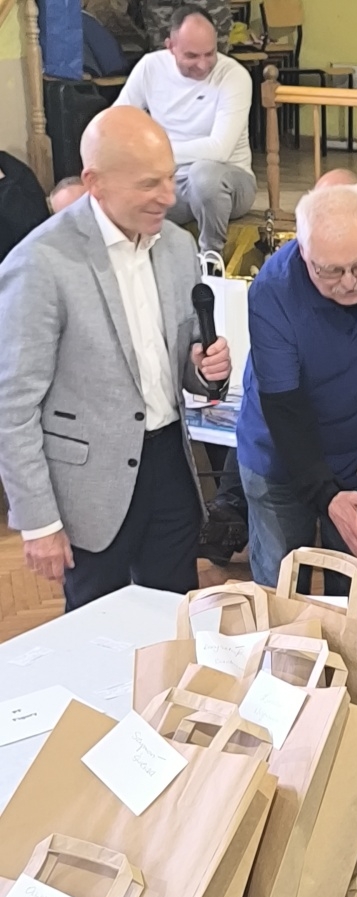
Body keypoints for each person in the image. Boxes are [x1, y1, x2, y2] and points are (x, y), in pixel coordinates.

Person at [0, 106, 231, 609]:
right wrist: (39, 522)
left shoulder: (178, 246)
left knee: (170, 620)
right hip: (89, 490)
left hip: (170, 466)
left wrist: (205, 370)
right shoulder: (40, 263)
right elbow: (12, 408)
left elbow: (183, 363)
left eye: (170, 178)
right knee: (95, 633)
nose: (169, 196)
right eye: (149, 184)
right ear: (95, 183)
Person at [237, 178, 357, 603]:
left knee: (355, 596)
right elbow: (284, 407)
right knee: (280, 597)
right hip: (281, 459)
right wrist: (325, 496)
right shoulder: (273, 291)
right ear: (303, 252)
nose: (350, 283)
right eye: (330, 271)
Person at [116, 5, 255, 255]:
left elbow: (219, 150)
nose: (202, 65)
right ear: (170, 47)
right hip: (169, 182)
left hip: (228, 181)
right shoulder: (150, 66)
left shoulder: (234, 75)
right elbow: (117, 121)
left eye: (210, 53)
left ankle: (211, 257)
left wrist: (152, 155)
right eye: (191, 56)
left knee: (204, 175)